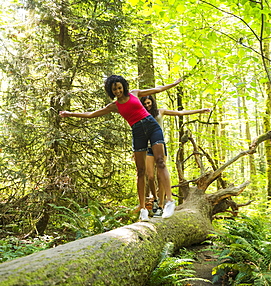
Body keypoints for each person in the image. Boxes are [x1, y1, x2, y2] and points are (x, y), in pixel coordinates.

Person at [59, 75, 183, 222]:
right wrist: (70, 113)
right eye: (114, 89)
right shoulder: (114, 106)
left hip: (152, 126)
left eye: (119, 87)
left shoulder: (135, 93)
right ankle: (143, 208)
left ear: (123, 86)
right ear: (111, 91)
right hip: (137, 131)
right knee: (141, 171)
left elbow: (158, 89)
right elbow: (91, 114)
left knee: (160, 161)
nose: (118, 91)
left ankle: (169, 201)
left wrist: (174, 84)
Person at [140, 95, 210, 217]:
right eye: (145, 104)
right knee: (150, 176)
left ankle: (161, 205)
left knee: (160, 176)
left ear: (152, 102)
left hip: (159, 145)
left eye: (149, 103)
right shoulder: (141, 115)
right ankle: (155, 200)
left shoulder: (160, 111)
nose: (147, 105)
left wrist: (200, 110)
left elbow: (180, 113)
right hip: (147, 147)